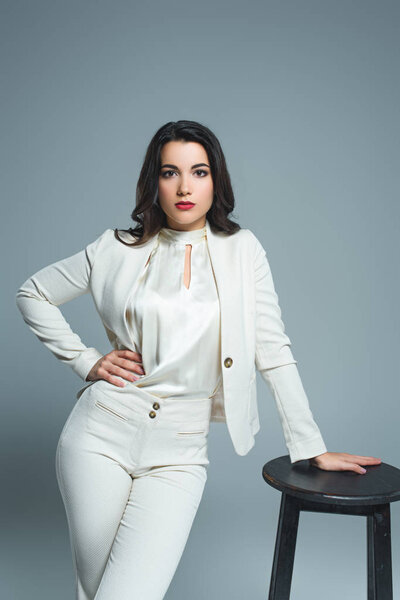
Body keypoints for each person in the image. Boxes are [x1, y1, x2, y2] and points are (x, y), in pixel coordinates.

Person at [15, 120, 381, 600]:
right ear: (154, 182)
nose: (185, 187)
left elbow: (272, 349)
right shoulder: (115, 248)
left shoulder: (242, 251)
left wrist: (309, 445)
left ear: (216, 181)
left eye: (199, 172)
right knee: (95, 591)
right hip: (99, 435)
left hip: (179, 453)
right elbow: (33, 292)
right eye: (171, 172)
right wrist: (86, 360)